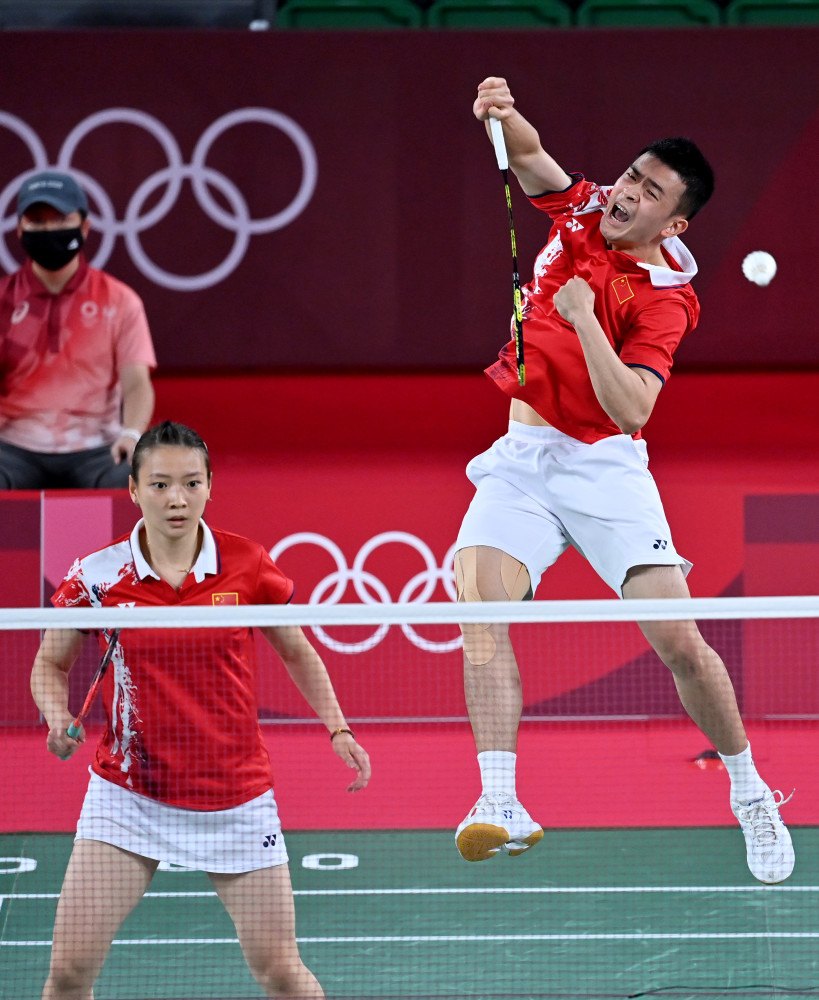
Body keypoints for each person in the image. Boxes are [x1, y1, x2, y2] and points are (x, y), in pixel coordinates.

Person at [453, 77, 794, 884]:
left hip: (603, 467)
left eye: (648, 193)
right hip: (522, 458)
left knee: (679, 644)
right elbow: (531, 158)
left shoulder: (666, 301)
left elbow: (633, 408)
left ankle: (748, 790)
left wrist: (580, 320)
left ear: (673, 224)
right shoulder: (583, 208)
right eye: (630, 176)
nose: (626, 193)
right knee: (478, 611)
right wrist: (502, 111)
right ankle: (499, 801)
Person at [30, 420, 371, 999]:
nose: (177, 499)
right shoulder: (98, 575)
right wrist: (55, 715)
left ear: (210, 486)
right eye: (160, 484)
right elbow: (49, 663)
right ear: (133, 489)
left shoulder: (247, 563)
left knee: (281, 972)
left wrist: (338, 729)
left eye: (191, 483)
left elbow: (297, 650)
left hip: (234, 797)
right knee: (67, 973)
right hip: (129, 795)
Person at [0, 170, 156, 489]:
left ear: (84, 227)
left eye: (60, 219)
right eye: (37, 221)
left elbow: (137, 384)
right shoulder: (3, 301)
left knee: (143, 482)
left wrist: (131, 434)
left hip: (98, 449)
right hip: (12, 447)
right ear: (20, 229)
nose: (49, 230)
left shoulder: (119, 300)